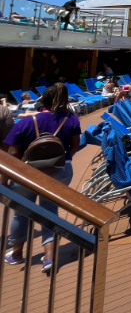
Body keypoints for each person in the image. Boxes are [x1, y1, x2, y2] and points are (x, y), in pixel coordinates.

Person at [2, 84, 82, 272]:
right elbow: (74, 147)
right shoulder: (71, 120)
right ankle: (49, 257)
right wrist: (59, 161)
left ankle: (16, 253)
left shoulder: (27, 122)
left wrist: (4, 181)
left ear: (42, 102)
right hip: (59, 171)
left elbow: (12, 153)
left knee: (20, 212)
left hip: (27, 174)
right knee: (50, 211)